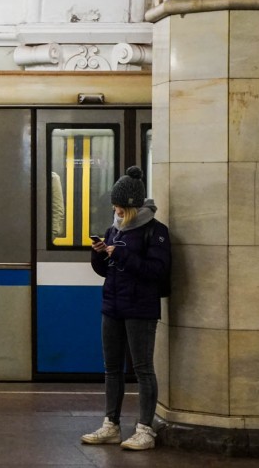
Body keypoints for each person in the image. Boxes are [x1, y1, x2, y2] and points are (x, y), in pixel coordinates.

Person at [81, 165, 171, 452]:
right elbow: (106, 271)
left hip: (140, 308)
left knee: (143, 369)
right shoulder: (114, 229)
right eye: (115, 206)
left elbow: (156, 271)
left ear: (133, 207)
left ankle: (145, 429)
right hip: (113, 306)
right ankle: (111, 425)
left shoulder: (155, 232)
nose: (116, 211)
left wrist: (122, 254)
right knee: (111, 368)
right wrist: (99, 255)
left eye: (120, 207)